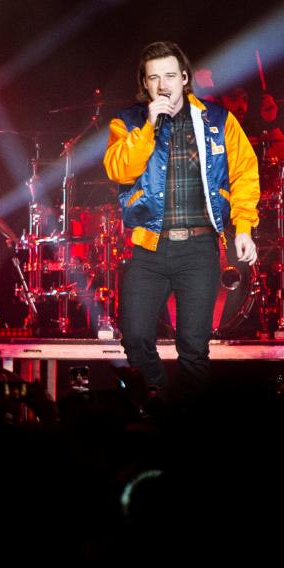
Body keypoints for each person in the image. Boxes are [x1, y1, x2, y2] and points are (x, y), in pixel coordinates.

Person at [104, 41, 259, 395]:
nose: (163, 85)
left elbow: (245, 173)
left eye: (170, 76)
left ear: (184, 78)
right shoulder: (127, 122)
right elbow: (119, 169)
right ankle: (163, 399)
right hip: (149, 246)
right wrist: (148, 125)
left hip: (200, 247)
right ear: (145, 84)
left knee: (193, 347)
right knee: (136, 338)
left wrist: (244, 228)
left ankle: (187, 428)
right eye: (154, 78)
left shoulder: (217, 120)